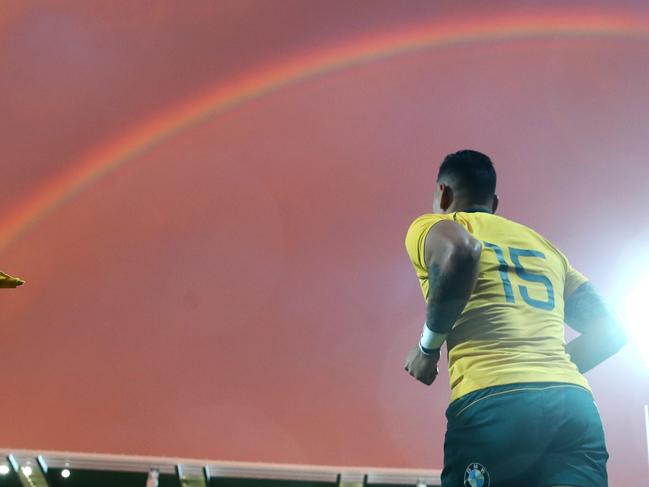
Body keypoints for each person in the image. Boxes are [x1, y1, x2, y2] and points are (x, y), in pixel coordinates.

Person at [403, 150, 626, 487]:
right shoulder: (544, 247)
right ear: (494, 204)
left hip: (494, 404)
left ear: (443, 194)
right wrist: (546, 372)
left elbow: (461, 251)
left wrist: (427, 349)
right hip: (574, 406)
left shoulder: (437, 225)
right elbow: (611, 332)